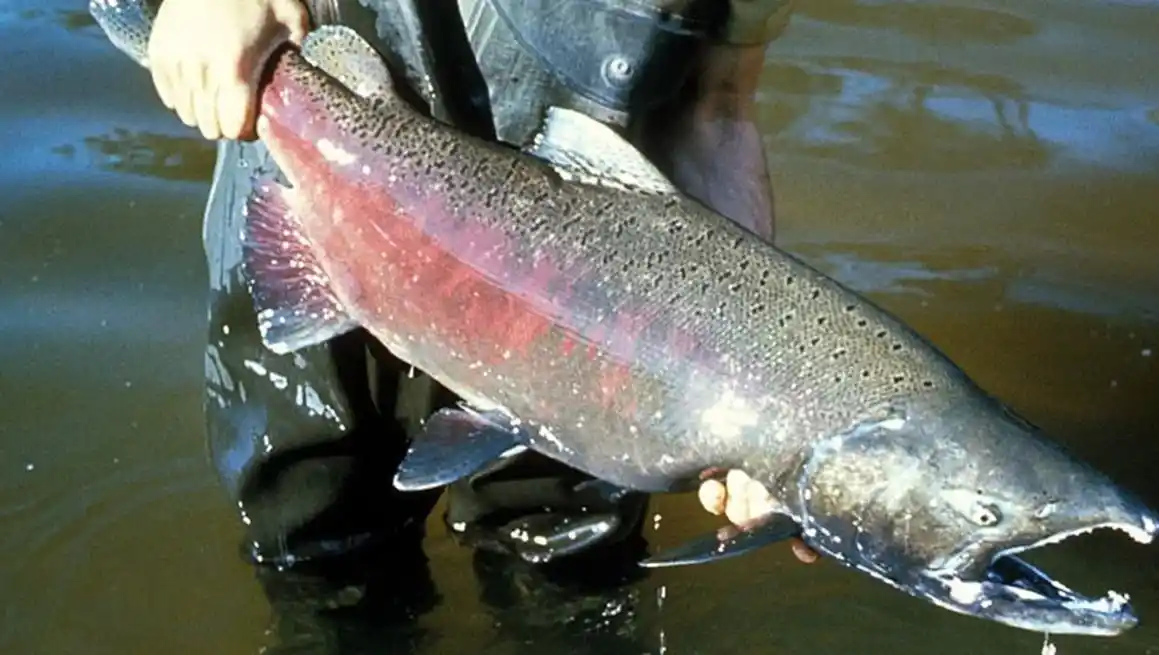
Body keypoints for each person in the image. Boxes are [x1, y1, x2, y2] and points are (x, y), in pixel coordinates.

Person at [145, 0, 813, 649]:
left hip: (583, 305)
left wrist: (747, 369)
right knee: (323, 538)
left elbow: (718, 105)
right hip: (332, 174)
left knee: (568, 577)